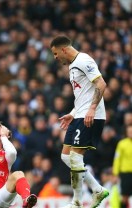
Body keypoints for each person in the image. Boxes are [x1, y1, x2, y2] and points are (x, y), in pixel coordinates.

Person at [50, 35, 109, 208]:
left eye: (55, 54)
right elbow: (83, 95)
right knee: (65, 156)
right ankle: (97, 189)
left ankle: (77, 201)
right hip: (80, 114)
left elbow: (101, 84)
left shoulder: (84, 60)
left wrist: (91, 109)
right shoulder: (72, 66)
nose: (55, 58)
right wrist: (72, 113)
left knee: (75, 158)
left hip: (91, 115)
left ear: (63, 49)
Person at [112, 124, 132, 208]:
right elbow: (117, 159)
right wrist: (115, 174)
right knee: (125, 196)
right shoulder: (122, 144)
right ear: (126, 133)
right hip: (125, 173)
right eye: (130, 132)